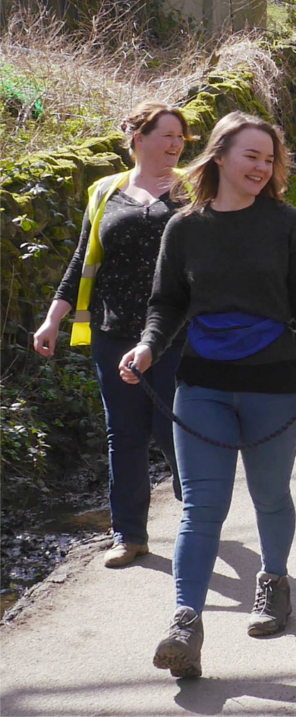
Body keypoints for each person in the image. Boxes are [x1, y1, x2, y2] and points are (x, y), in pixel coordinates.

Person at [118, 112, 296, 678]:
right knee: (201, 507)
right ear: (220, 155)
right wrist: (149, 347)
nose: (261, 167)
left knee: (270, 494)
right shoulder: (185, 227)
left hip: (275, 386)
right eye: (251, 155)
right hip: (202, 386)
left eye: (269, 159)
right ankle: (185, 622)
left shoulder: (287, 224)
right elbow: (166, 303)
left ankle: (273, 581)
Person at [32, 101, 193, 569]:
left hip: (174, 336)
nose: (176, 144)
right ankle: (130, 535)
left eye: (181, 137)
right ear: (138, 137)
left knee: (173, 430)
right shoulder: (106, 191)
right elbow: (84, 261)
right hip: (112, 333)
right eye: (167, 135)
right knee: (123, 434)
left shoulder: (192, 191)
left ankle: (197, 512)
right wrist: (53, 318)